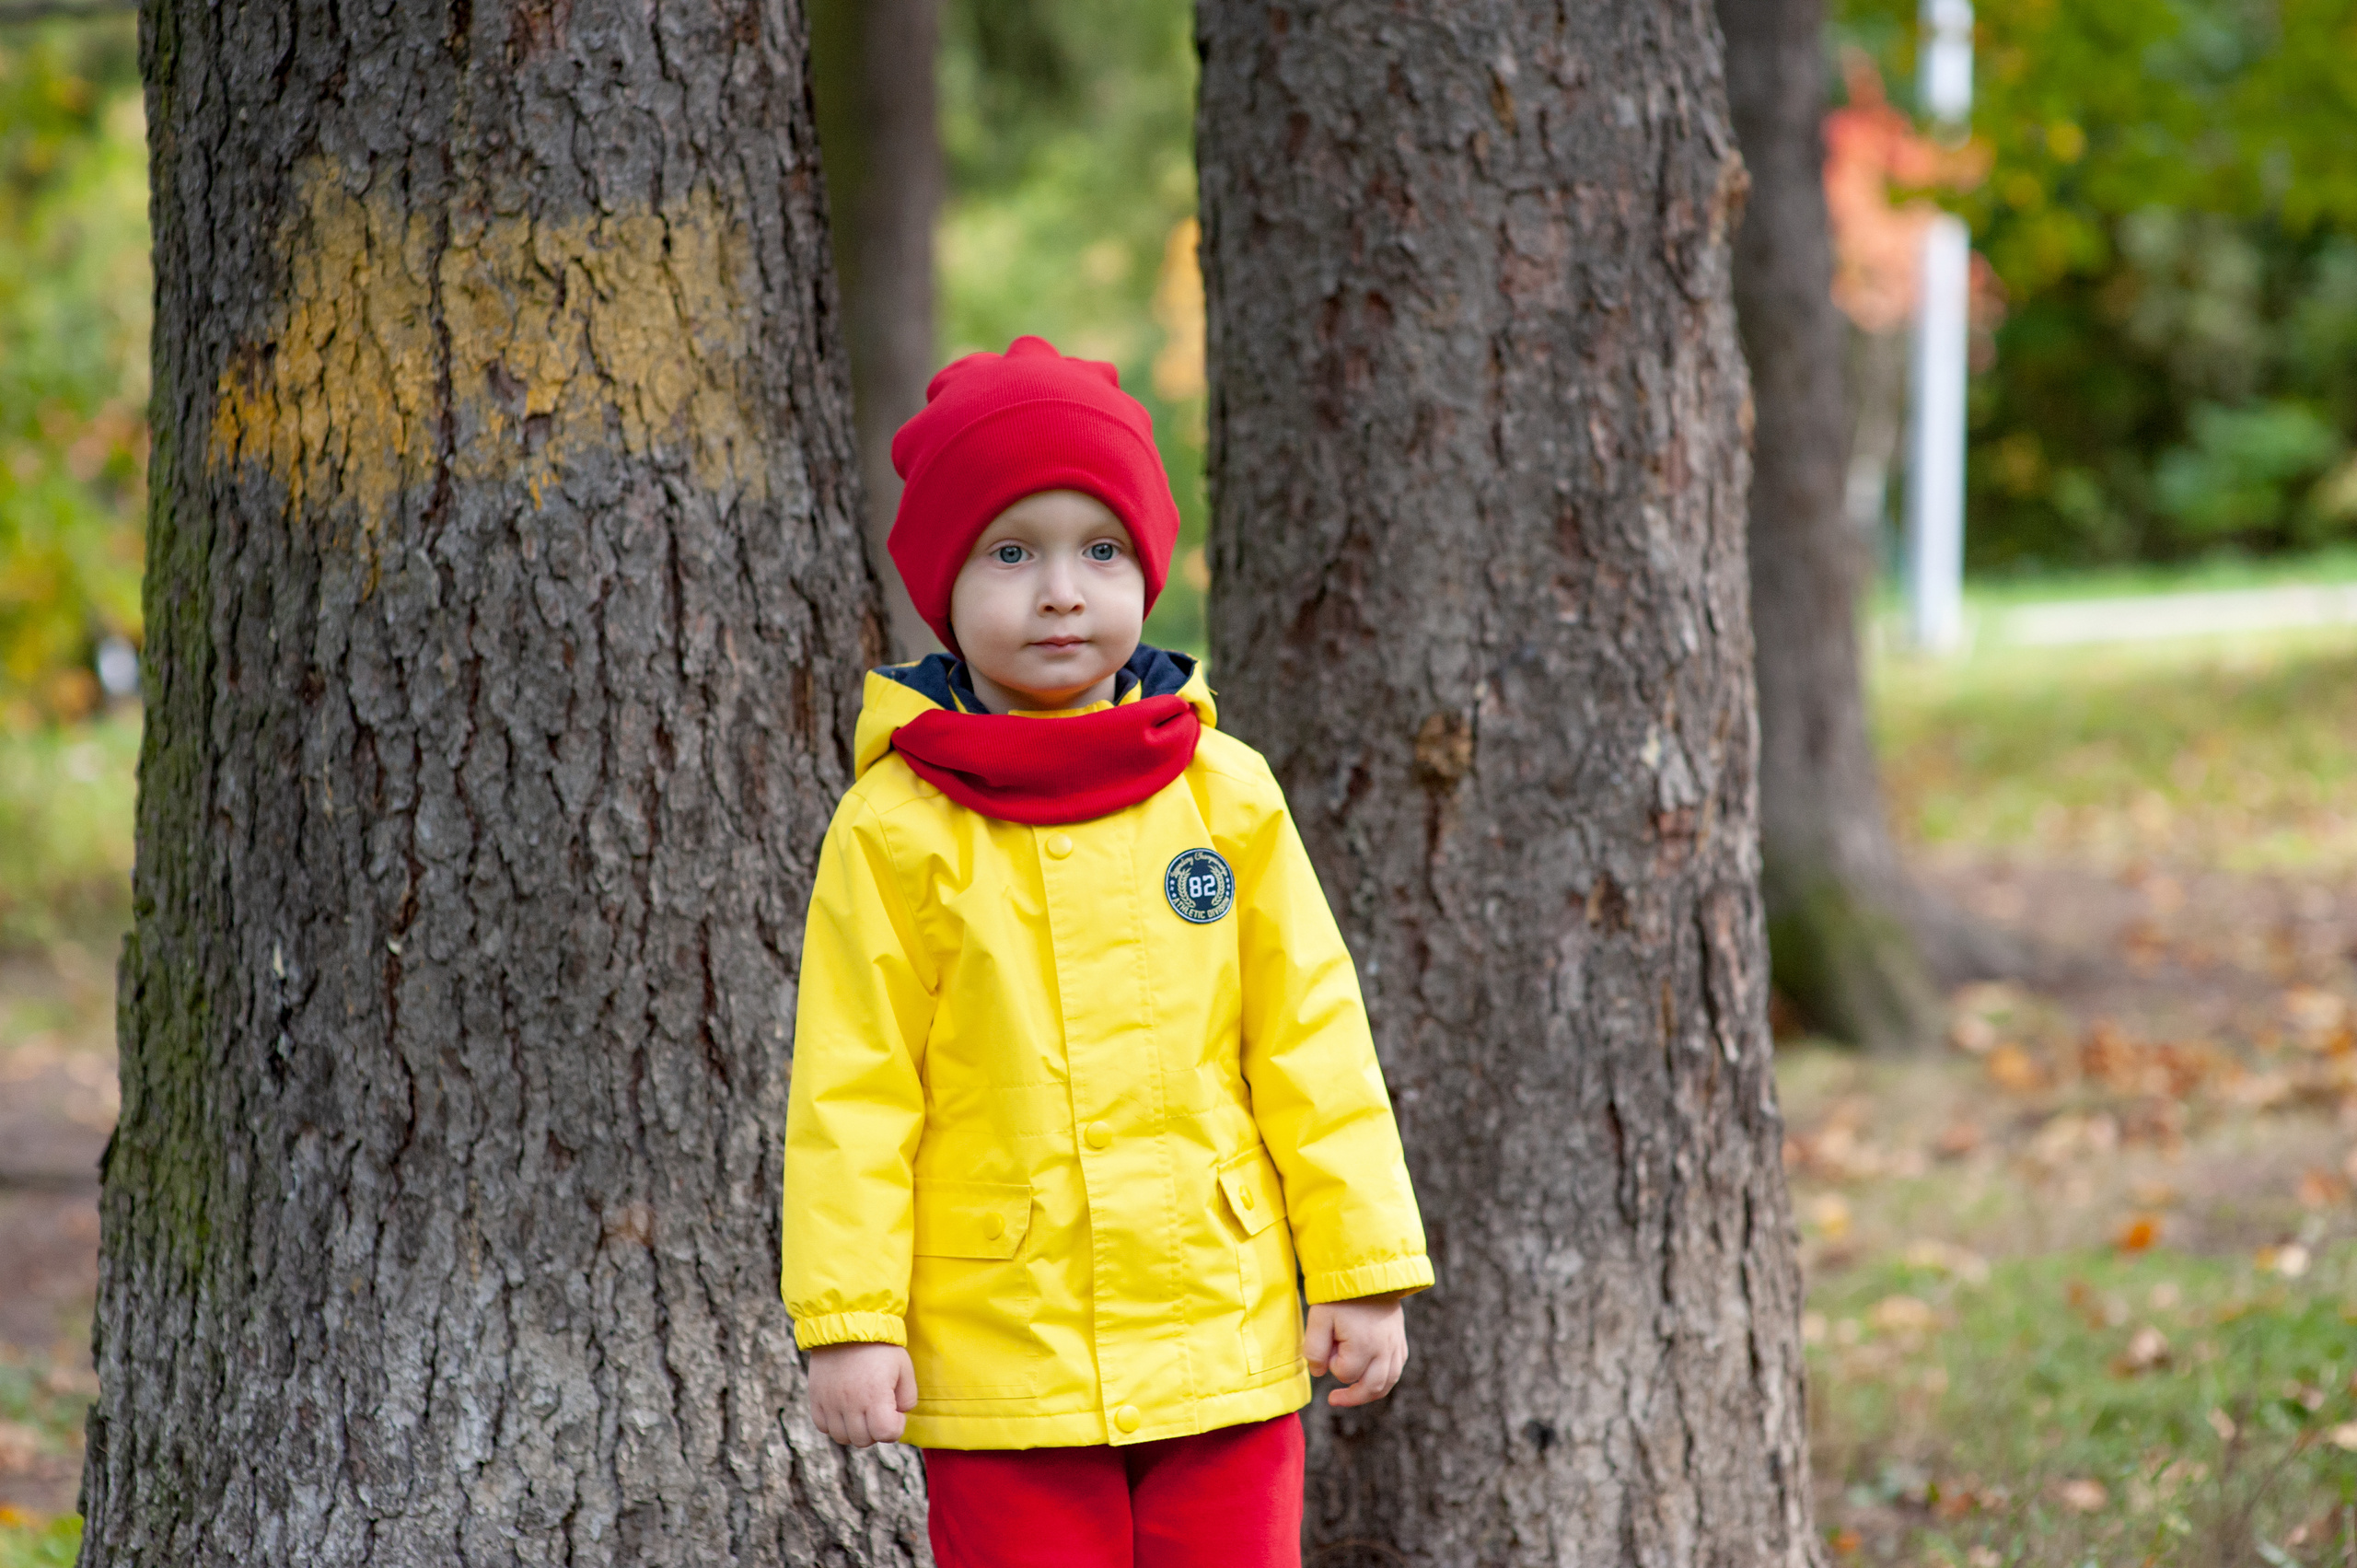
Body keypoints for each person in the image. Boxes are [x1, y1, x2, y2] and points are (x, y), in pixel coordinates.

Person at [782, 335, 1431, 1568]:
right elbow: (854, 1091)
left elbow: (1310, 1035)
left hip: (1219, 1346)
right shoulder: (897, 829)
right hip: (1000, 1351)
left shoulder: (1222, 795)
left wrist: (1360, 1266)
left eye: (1101, 549)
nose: (1062, 591)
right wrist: (850, 1321)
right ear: (942, 583)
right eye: (1010, 553)